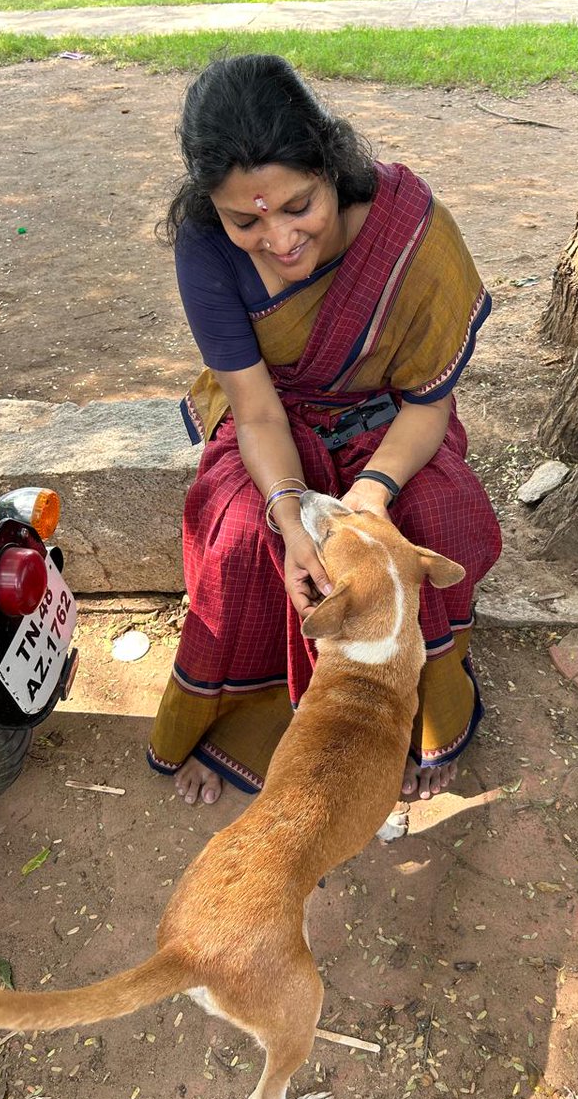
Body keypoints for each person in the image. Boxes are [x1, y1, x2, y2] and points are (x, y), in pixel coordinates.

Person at [148, 54, 502, 806]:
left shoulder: (408, 232)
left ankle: (420, 712)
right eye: (246, 219)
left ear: (331, 167)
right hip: (276, 419)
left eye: (297, 206)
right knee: (245, 535)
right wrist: (287, 508)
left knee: (431, 515)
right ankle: (246, 719)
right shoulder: (204, 246)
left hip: (391, 423)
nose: (277, 239)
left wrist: (371, 496)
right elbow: (256, 410)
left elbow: (429, 404)